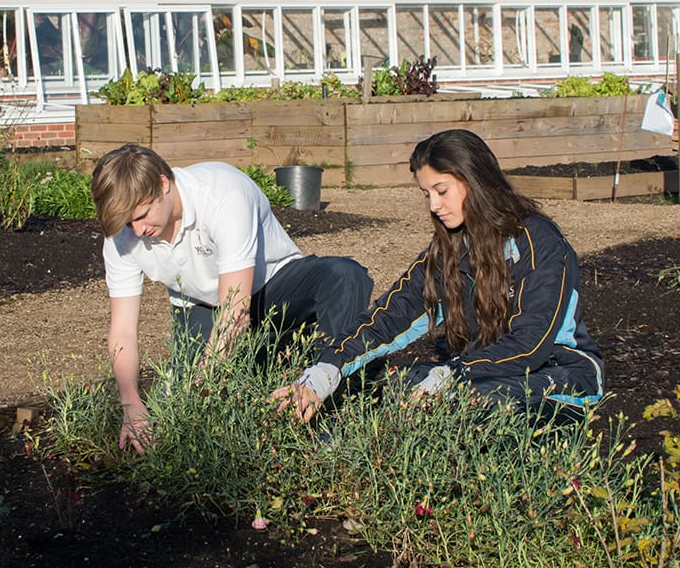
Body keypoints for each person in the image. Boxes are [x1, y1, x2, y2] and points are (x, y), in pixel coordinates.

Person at [273, 129, 603, 423]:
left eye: (441, 191)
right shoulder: (450, 248)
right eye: (426, 194)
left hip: (559, 376)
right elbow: (390, 318)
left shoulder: (539, 242)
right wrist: (324, 372)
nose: (433, 205)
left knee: (470, 404)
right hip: (480, 374)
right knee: (394, 390)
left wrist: (453, 375)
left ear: (475, 181)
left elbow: (530, 345)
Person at [91, 143, 374, 453]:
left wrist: (204, 381)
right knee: (177, 418)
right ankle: (271, 362)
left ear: (163, 183)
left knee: (345, 275)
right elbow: (123, 331)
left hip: (272, 289)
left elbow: (235, 309)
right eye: (128, 222)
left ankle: (335, 400)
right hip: (201, 306)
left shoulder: (223, 194)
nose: (138, 230)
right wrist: (130, 404)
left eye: (142, 215)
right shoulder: (122, 235)